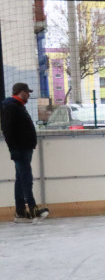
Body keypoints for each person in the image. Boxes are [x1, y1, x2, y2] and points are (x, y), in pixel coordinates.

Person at [1, 82, 49, 223]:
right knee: (26, 179)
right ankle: (33, 209)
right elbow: (7, 129)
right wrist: (14, 148)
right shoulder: (12, 106)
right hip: (20, 150)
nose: (29, 94)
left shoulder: (17, 106)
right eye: (27, 92)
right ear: (20, 92)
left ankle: (20, 212)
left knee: (21, 180)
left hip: (23, 149)